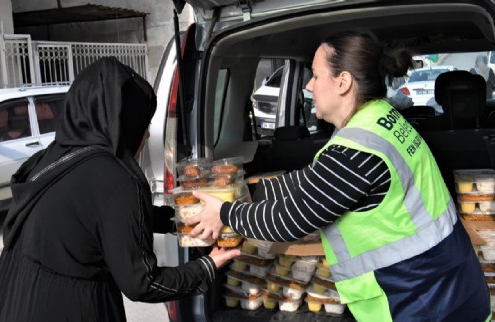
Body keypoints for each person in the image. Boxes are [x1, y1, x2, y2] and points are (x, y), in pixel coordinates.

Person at [187, 30, 491, 321]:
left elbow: (288, 220)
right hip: (450, 281)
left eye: (316, 76)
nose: (309, 86)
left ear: (343, 81)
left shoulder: (355, 153)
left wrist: (225, 212)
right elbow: (314, 179)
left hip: (417, 300)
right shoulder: (379, 119)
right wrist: (246, 192)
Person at [0, 57, 240, 322]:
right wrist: (208, 266)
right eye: (144, 123)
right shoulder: (118, 178)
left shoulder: (51, 157)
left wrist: (178, 220)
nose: (147, 135)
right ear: (125, 122)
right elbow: (143, 282)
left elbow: (103, 216)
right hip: (68, 308)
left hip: (8, 300)